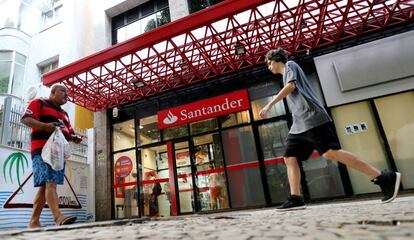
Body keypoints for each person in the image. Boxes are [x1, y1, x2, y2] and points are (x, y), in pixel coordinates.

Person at [259, 48, 401, 211]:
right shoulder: (284, 75)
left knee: (330, 153)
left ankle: (384, 177)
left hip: (312, 117)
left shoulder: (290, 65)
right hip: (299, 124)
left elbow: (291, 86)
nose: (269, 67)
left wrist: (269, 105)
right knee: (289, 157)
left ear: (277, 59)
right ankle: (296, 197)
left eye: (269, 63)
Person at [21, 84, 83, 227]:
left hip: (58, 153)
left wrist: (74, 137)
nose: (66, 95)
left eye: (67, 93)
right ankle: (58, 218)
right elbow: (25, 119)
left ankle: (34, 221)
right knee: (50, 183)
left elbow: (68, 133)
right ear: (53, 92)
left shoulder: (64, 114)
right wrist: (44, 126)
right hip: (42, 150)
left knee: (45, 186)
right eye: (63, 91)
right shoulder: (39, 103)